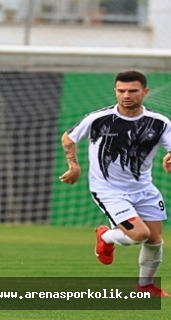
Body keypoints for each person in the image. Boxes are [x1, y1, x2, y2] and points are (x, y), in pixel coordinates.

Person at [59, 70, 170, 297]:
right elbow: (68, 137)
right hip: (109, 190)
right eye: (121, 90)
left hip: (144, 190)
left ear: (144, 92)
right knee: (139, 234)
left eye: (132, 91)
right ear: (115, 91)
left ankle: (146, 287)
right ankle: (105, 236)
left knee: (154, 240)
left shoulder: (159, 123)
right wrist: (74, 166)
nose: (126, 95)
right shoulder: (98, 119)